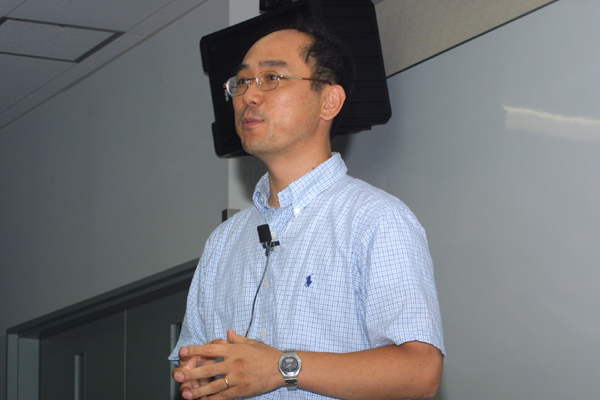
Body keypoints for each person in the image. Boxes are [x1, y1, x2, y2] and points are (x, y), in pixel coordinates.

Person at [170, 20, 445, 400]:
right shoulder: (223, 242)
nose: (249, 96)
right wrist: (199, 378)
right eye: (242, 82)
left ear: (329, 101)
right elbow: (193, 368)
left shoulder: (375, 219)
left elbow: (420, 372)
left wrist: (281, 367)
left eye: (271, 78)